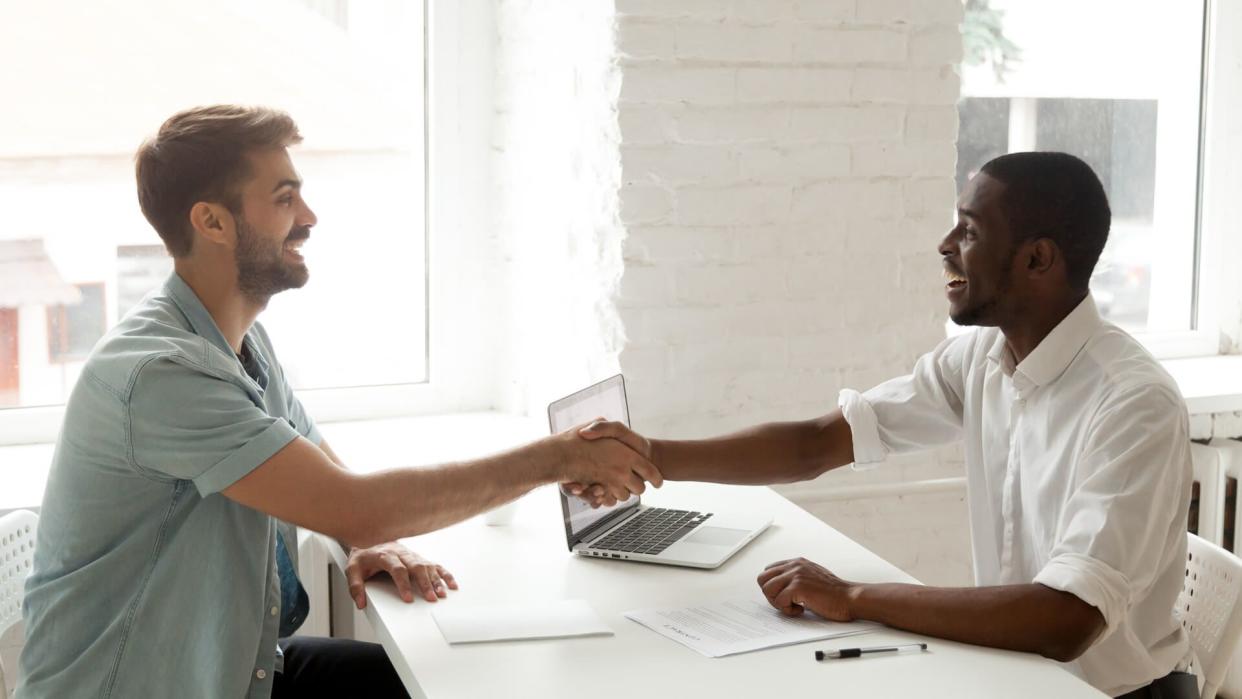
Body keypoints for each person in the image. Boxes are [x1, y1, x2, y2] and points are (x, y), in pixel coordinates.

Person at [16, 105, 660, 699]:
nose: (309, 216)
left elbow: (332, 489)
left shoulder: (241, 344)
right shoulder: (164, 374)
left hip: (239, 670)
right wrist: (554, 459)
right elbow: (359, 507)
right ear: (212, 221)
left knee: (450, 683)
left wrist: (358, 538)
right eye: (284, 197)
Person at [576, 153, 1196, 698]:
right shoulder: (983, 359)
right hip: (1014, 677)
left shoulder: (1133, 405)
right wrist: (648, 456)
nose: (946, 244)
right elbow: (820, 442)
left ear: (1037, 258)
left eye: (971, 229)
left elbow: (1066, 620)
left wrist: (853, 597)